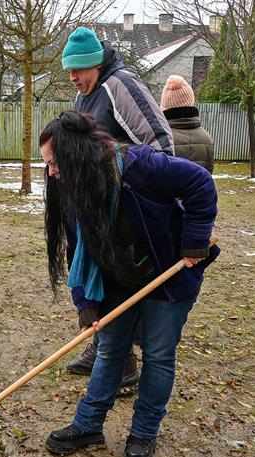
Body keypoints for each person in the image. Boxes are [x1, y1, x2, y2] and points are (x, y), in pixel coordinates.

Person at [39, 111, 218, 457]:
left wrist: (195, 240)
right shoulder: (73, 189)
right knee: (109, 351)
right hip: (118, 279)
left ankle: (143, 433)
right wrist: (85, 301)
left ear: (77, 154)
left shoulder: (141, 168)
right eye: (47, 165)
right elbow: (77, 249)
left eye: (55, 163)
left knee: (158, 353)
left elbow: (200, 182)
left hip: (167, 276)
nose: (51, 172)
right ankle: (88, 426)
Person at [62, 26, 176, 380]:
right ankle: (104, 347)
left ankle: (122, 361)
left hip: (123, 207)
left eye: (78, 70)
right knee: (95, 274)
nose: (73, 77)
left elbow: (160, 141)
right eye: (69, 70)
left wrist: (143, 196)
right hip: (95, 205)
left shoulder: (120, 85)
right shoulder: (87, 94)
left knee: (118, 279)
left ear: (95, 63)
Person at [160, 75, 214, 173]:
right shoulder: (206, 138)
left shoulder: (162, 138)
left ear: (165, 106)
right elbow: (208, 175)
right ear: (191, 102)